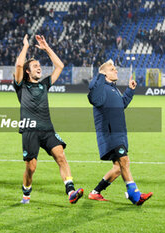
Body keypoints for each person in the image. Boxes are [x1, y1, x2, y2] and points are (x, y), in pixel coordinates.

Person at [14, 35, 83, 204]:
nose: (39, 68)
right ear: (27, 71)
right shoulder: (21, 86)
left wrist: (47, 48)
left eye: (39, 65)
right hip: (30, 131)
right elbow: (18, 65)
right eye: (35, 66)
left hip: (47, 129)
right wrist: (25, 47)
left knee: (61, 156)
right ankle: (26, 193)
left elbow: (59, 66)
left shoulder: (44, 84)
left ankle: (71, 191)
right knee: (31, 167)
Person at [87, 59, 152, 205]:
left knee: (118, 167)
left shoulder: (113, 88)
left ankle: (95, 192)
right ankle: (135, 196)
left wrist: (130, 90)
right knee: (124, 161)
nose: (116, 71)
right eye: (112, 69)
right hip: (110, 134)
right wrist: (99, 75)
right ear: (103, 73)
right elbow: (93, 96)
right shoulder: (100, 87)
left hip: (119, 133)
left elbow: (120, 105)